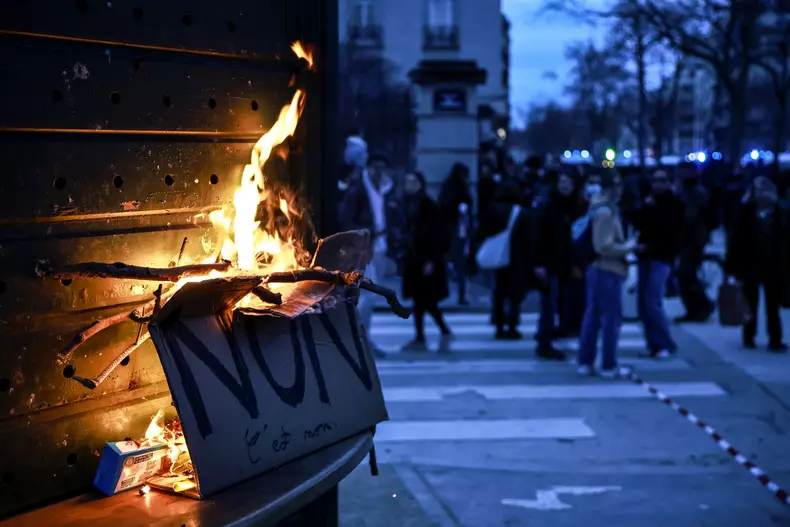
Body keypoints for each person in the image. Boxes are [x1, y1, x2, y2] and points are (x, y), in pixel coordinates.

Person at [339, 138, 403, 357]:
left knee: (371, 296)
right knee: (368, 295)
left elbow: (391, 216)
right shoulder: (357, 190)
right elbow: (346, 220)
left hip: (381, 248)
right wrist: (366, 234)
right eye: (375, 167)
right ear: (369, 167)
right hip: (364, 249)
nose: (379, 171)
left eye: (382, 168)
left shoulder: (386, 189)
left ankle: (362, 337)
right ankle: (360, 339)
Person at [577, 170, 636, 378]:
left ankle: (586, 361)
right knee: (610, 318)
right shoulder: (605, 212)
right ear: (611, 188)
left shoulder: (600, 209)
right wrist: (628, 247)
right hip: (606, 269)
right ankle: (608, 364)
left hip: (598, 269)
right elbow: (603, 246)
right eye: (617, 185)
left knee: (593, 316)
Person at [725, 176, 790, 352]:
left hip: (774, 265)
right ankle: (749, 336)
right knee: (750, 302)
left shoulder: (781, 212)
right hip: (750, 264)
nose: (764, 196)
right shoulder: (746, 212)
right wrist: (731, 268)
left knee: (773, 305)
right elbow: (735, 241)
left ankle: (774, 338)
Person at [632, 170, 684, 359]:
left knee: (652, 301)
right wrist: (644, 209)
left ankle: (665, 343)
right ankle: (652, 342)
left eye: (662, 181)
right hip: (646, 255)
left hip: (662, 257)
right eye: (655, 181)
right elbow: (639, 224)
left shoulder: (674, 204)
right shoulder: (648, 202)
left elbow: (671, 232)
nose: (658, 185)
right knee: (643, 303)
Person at [400, 171, 453, 352]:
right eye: (408, 181)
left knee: (422, 298)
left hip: (425, 258)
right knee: (423, 299)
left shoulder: (428, 205)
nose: (409, 184)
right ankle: (439, 331)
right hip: (414, 258)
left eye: (413, 181)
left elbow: (437, 235)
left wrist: (431, 260)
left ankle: (422, 336)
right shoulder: (408, 203)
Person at [533, 171, 581, 360]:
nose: (565, 186)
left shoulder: (572, 207)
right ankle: (544, 342)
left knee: (556, 303)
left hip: (562, 264)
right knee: (549, 305)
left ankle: (551, 336)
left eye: (568, 182)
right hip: (549, 263)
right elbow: (538, 235)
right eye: (562, 182)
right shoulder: (549, 207)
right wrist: (538, 262)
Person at [481, 181, 532, 339]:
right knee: (514, 293)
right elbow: (527, 238)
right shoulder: (521, 212)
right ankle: (512, 325)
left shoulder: (492, 210)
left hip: (497, 256)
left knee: (499, 291)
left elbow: (484, 231)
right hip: (516, 257)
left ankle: (498, 324)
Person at [675, 167, 715, 323]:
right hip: (696, 238)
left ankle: (699, 307)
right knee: (688, 275)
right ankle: (698, 307)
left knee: (686, 275)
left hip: (692, 239)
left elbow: (689, 217)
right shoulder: (697, 192)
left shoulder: (693, 194)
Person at [439, 163, 474, 305]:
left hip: (450, 229)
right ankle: (460, 295)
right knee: (459, 263)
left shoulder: (448, 188)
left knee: (454, 262)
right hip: (458, 230)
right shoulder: (459, 190)